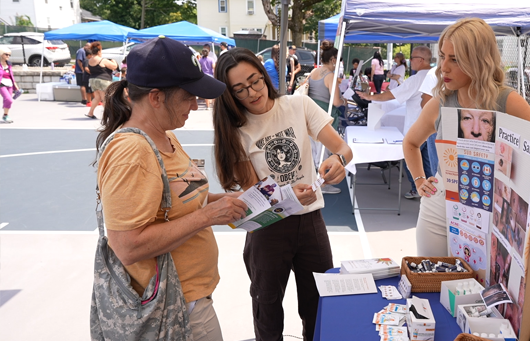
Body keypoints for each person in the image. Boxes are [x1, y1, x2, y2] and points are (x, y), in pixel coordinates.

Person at [94, 36, 248, 341]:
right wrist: (208, 217)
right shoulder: (133, 153)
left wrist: (227, 201)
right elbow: (127, 247)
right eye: (188, 96)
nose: (195, 104)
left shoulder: (163, 135)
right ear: (155, 98)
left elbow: (180, 201)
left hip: (189, 300)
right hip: (173, 310)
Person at [212, 47, 352, 341]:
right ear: (229, 95)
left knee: (318, 303)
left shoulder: (299, 105)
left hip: (311, 221)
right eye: (239, 89)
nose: (252, 92)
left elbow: (343, 148)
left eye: (255, 81)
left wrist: (338, 160)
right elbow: (254, 194)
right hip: (267, 228)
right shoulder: (236, 131)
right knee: (267, 308)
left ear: (264, 76)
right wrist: (287, 195)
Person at [403, 18, 530, 257]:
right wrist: (419, 180)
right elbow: (411, 142)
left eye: (454, 59)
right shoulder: (440, 102)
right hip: (440, 205)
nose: (444, 67)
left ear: (478, 60)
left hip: (491, 211)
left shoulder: (509, 102)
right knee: (432, 283)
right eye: (443, 56)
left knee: (478, 291)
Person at [357, 46, 434, 200]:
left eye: (412, 58)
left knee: (411, 160)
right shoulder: (435, 75)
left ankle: (417, 189)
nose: (409, 61)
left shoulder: (417, 79)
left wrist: (370, 97)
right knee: (428, 163)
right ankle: (431, 192)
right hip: (432, 127)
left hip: (416, 128)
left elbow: (392, 95)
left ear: (421, 60)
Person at [306, 40, 347, 195]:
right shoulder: (330, 76)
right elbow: (336, 101)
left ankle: (316, 183)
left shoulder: (313, 72)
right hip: (324, 119)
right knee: (324, 153)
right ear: (333, 60)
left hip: (311, 117)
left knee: (314, 152)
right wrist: (344, 100)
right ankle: (323, 184)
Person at [86, 42, 118, 119]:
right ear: (99, 51)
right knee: (105, 98)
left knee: (97, 98)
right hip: (103, 80)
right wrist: (113, 61)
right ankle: (109, 115)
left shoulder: (90, 60)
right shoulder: (102, 60)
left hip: (93, 80)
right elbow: (114, 66)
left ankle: (90, 113)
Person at [0, 47, 19, 123]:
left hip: (10, 83)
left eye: (9, 55)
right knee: (9, 99)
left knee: (8, 101)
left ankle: (5, 115)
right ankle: (5, 115)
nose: (8, 56)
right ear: (1, 55)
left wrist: (15, 85)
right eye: (6, 54)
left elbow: (11, 75)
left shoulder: (9, 64)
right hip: (1, 84)